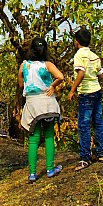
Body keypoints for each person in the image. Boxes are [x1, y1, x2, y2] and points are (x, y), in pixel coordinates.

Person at [18, 37, 64, 182]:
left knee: (34, 139)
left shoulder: (24, 65)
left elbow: (21, 85)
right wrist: (52, 86)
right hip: (47, 102)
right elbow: (60, 77)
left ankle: (32, 173)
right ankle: (50, 169)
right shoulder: (47, 64)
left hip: (32, 103)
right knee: (49, 135)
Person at [68, 27, 103, 170]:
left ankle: (85, 157)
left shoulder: (79, 55)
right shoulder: (94, 56)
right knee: (98, 122)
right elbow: (101, 75)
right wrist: (95, 80)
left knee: (84, 124)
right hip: (97, 90)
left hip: (86, 93)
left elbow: (81, 73)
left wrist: (72, 90)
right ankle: (102, 153)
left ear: (77, 42)